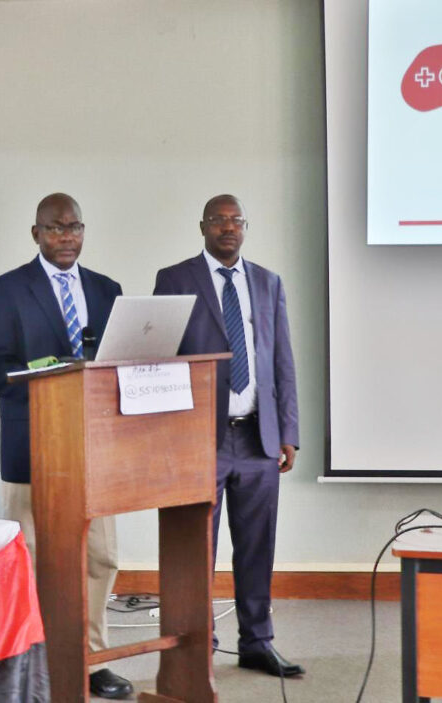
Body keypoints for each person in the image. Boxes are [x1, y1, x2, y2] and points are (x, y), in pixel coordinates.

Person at [0, 193, 133, 700]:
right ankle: (38, 658)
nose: (66, 236)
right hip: (33, 447)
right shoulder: (7, 290)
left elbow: (120, 363)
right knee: (35, 557)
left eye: (74, 227)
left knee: (101, 557)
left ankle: (90, 658)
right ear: (36, 234)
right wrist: (48, 374)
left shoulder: (108, 291)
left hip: (95, 449)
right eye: (55, 228)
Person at [153, 194, 303, 678]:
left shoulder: (267, 282)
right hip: (201, 441)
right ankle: (200, 646)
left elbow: (280, 360)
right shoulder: (174, 280)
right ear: (202, 226)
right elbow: (161, 360)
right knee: (198, 548)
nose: (227, 228)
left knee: (258, 546)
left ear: (246, 227)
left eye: (235, 220)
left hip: (258, 438)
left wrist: (288, 432)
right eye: (218, 220)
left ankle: (258, 642)